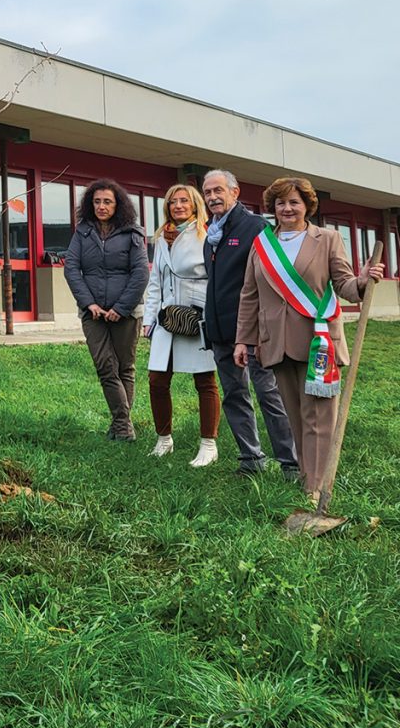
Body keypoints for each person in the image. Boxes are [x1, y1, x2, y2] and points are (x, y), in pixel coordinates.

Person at [235, 176, 383, 500]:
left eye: (294, 202)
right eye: (280, 203)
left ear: (307, 206)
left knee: (318, 416)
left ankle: (316, 488)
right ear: (272, 208)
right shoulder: (261, 245)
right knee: (296, 417)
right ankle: (308, 477)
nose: (287, 208)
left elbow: (344, 283)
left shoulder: (327, 239)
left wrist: (361, 281)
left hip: (319, 341)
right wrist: (242, 340)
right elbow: (249, 295)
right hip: (275, 342)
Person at [201, 168, 299, 477]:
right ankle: (250, 459)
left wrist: (258, 329)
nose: (213, 197)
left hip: (255, 331)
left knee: (269, 394)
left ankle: (291, 463)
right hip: (220, 331)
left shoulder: (256, 228)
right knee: (233, 394)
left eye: (219, 190)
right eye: (207, 193)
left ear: (235, 192)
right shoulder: (211, 235)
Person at [63, 179, 149, 441]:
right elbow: (71, 269)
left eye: (107, 201)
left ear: (118, 204)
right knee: (105, 366)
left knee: (125, 367)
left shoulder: (132, 233)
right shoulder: (83, 232)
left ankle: (120, 425)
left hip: (126, 313)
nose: (101, 206)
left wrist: (121, 308)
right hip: (93, 314)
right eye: (97, 201)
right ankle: (124, 424)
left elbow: (140, 273)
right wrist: (89, 303)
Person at [142, 184, 221, 465]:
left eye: (184, 200)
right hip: (167, 318)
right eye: (173, 201)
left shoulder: (207, 234)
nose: (178, 205)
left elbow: (214, 278)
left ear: (195, 204)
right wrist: (149, 318)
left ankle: (208, 444)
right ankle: (164, 439)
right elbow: (156, 281)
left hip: (196, 317)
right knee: (157, 380)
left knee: (205, 381)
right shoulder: (162, 237)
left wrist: (209, 312)